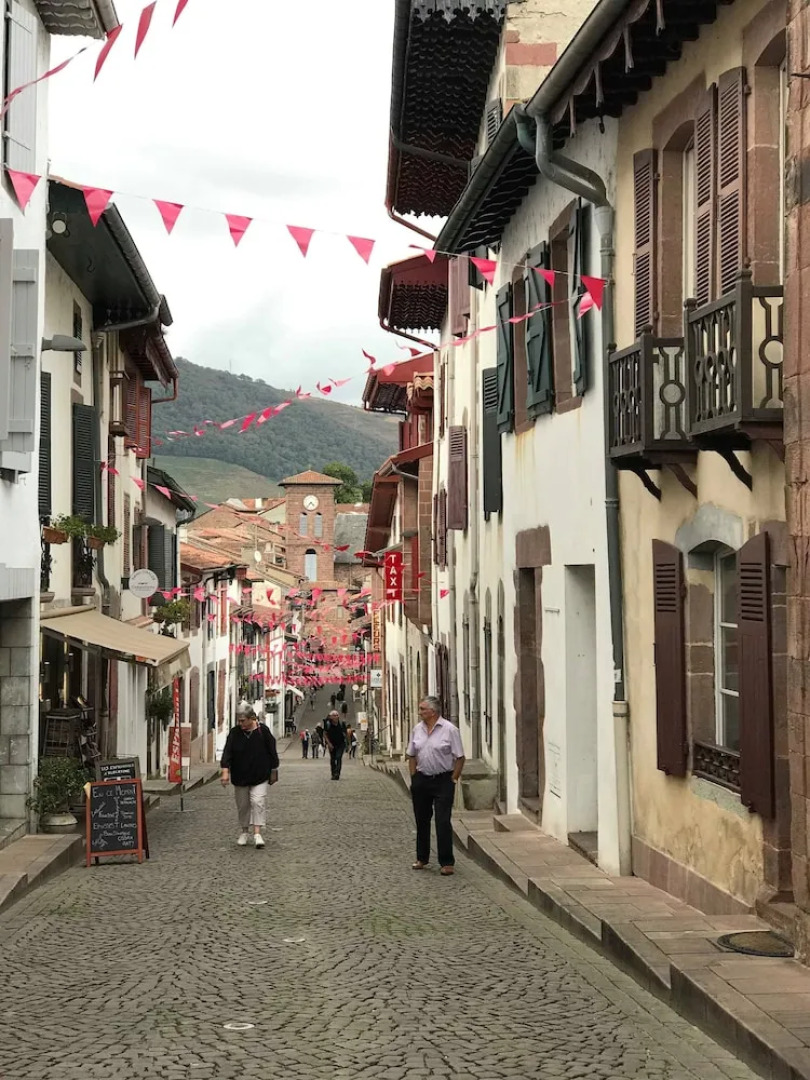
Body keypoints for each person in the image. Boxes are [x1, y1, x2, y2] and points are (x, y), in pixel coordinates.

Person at [406, 696, 465, 876]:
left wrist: (453, 779)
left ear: (433, 711)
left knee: (442, 821)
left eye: (423, 709)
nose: (420, 712)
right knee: (421, 820)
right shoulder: (417, 729)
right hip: (422, 779)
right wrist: (414, 777)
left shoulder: (450, 730)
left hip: (443, 780)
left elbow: (460, 757)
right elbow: (411, 754)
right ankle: (421, 858)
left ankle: (446, 862)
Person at [220, 701, 279, 848]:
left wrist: (273, 769)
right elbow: (227, 752)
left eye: (243, 720)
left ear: (251, 718)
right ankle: (244, 831)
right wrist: (225, 772)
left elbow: (272, 751)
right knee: (243, 805)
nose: (240, 724)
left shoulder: (263, 731)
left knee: (258, 802)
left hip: (260, 775)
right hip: (240, 776)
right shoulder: (235, 733)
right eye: (239, 721)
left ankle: (257, 833)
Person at [323, 710, 347, 780]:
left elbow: (345, 734)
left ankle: (337, 773)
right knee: (333, 759)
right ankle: (333, 773)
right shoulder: (328, 724)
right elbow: (324, 734)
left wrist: (347, 744)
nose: (336, 717)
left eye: (337, 715)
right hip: (332, 744)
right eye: (334, 715)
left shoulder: (342, 724)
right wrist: (329, 743)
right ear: (331, 717)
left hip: (341, 744)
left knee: (338, 757)